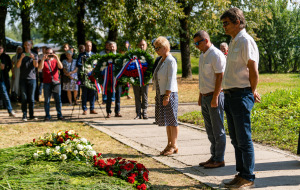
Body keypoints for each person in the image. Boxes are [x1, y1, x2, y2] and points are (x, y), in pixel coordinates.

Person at [220, 7, 261, 189]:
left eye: (226, 23)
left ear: (237, 22)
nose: (224, 27)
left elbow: (253, 69)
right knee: (236, 140)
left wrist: (252, 90)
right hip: (230, 95)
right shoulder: (234, 40)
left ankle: (248, 177)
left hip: (241, 94)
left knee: (244, 139)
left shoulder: (245, 40)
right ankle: (240, 174)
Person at [193, 30, 226, 168]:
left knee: (218, 129)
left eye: (197, 43)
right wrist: (200, 95)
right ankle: (213, 156)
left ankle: (219, 159)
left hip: (215, 96)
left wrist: (215, 97)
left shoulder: (216, 54)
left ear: (206, 40)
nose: (196, 46)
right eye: (194, 43)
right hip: (205, 96)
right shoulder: (203, 55)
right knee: (210, 129)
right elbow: (203, 78)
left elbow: (220, 77)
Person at [153, 36, 179, 156]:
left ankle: (174, 145)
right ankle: (169, 143)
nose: (156, 50)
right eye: (155, 48)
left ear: (164, 47)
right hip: (162, 93)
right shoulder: (162, 60)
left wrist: (167, 95)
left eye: (158, 48)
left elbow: (171, 79)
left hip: (169, 93)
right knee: (167, 121)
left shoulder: (170, 60)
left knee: (172, 121)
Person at [39, 47, 64, 121]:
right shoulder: (43, 61)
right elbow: (40, 68)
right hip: (47, 82)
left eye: (50, 53)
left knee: (58, 99)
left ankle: (59, 115)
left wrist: (57, 58)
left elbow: (61, 67)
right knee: (47, 100)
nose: (49, 55)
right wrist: (43, 59)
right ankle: (47, 115)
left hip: (56, 82)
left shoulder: (55, 61)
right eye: (47, 53)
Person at [16, 40, 39, 121]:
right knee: (24, 98)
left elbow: (36, 66)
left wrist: (33, 58)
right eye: (25, 45)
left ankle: (31, 115)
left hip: (32, 79)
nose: (27, 46)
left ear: (31, 45)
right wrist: (21, 58)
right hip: (23, 79)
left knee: (31, 98)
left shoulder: (35, 54)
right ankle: (24, 115)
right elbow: (17, 66)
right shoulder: (20, 55)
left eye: (28, 45)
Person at [76, 40, 98, 115]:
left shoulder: (94, 55)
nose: (89, 47)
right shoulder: (81, 55)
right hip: (84, 76)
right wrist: (84, 66)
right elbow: (78, 63)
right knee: (84, 93)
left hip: (92, 77)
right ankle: (84, 109)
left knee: (92, 93)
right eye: (87, 46)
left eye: (90, 46)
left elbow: (97, 64)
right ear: (85, 47)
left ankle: (92, 108)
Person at [132, 39, 150, 119]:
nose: (142, 47)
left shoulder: (149, 56)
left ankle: (144, 112)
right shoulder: (134, 57)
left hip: (145, 79)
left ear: (146, 46)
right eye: (140, 45)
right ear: (138, 46)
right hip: (136, 79)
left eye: (143, 45)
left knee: (145, 95)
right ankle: (138, 113)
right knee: (137, 96)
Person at [105, 41, 122, 118]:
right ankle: (108, 112)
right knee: (109, 96)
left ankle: (117, 112)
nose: (112, 48)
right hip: (109, 79)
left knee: (118, 96)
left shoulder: (119, 57)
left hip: (118, 79)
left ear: (116, 47)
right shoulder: (106, 57)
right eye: (110, 46)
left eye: (113, 46)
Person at [0, 45, 16, 117]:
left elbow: (9, 66)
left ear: (3, 49)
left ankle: (10, 110)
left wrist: (5, 69)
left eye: (0, 48)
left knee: (5, 94)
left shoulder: (5, 57)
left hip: (2, 78)